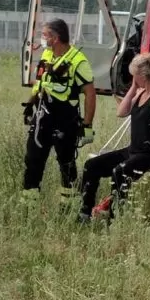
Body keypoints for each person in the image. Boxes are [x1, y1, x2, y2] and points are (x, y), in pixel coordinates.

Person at [79, 52, 150, 222]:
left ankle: (114, 217)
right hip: (133, 150)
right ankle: (85, 212)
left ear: (142, 76)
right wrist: (133, 89)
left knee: (119, 172)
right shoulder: (140, 93)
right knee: (91, 165)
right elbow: (121, 112)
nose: (132, 79)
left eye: (134, 76)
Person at [22, 18, 96, 205]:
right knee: (33, 160)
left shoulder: (78, 61)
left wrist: (87, 125)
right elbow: (40, 83)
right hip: (42, 117)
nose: (43, 38)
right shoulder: (47, 55)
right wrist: (30, 104)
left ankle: (68, 206)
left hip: (66, 120)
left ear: (55, 38)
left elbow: (90, 94)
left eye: (45, 34)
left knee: (67, 163)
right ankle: (29, 205)